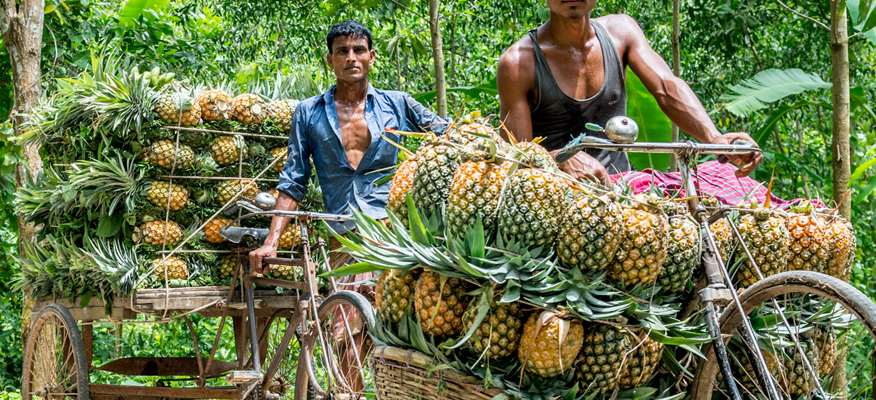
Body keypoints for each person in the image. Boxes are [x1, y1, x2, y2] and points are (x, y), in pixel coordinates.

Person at [246, 20, 449, 395]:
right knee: (346, 327)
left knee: (399, 328)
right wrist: (272, 241)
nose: (351, 58)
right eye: (343, 51)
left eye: (359, 50)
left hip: (395, 236)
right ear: (330, 60)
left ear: (372, 57)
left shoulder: (399, 105)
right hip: (343, 234)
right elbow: (294, 180)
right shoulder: (309, 112)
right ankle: (347, 394)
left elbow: (448, 135)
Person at [496, 0, 759, 181]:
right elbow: (518, 156)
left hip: (624, 190)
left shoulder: (621, 31)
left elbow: (666, 88)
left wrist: (714, 138)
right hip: (557, 194)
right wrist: (559, 160)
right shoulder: (519, 63)